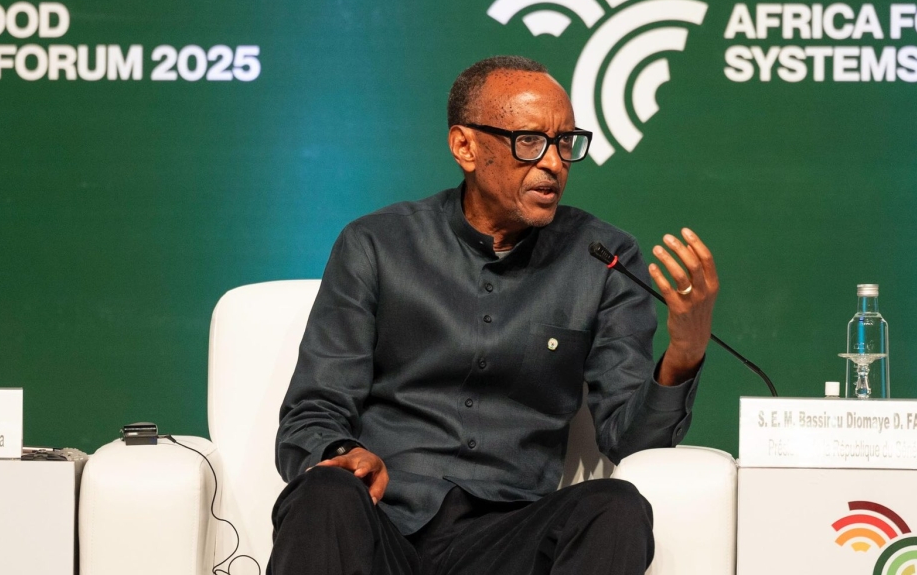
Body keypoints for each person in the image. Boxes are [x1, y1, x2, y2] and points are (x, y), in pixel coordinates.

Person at [271, 55, 719, 575]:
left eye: (566, 142)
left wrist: (684, 354)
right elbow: (313, 410)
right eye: (530, 141)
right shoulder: (377, 245)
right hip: (384, 525)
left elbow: (631, 441)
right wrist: (342, 452)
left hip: (508, 538)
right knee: (325, 491)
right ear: (465, 146)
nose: (553, 163)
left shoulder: (603, 259)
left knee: (615, 509)